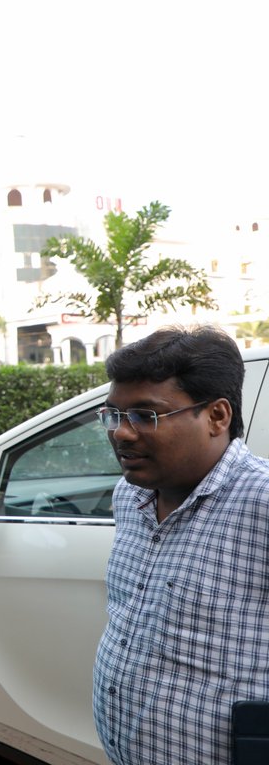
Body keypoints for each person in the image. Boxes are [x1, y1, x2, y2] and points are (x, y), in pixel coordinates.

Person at [92, 326, 269, 765]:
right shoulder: (129, 496)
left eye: (145, 416)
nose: (122, 433)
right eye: (113, 415)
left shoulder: (261, 504)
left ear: (217, 417)